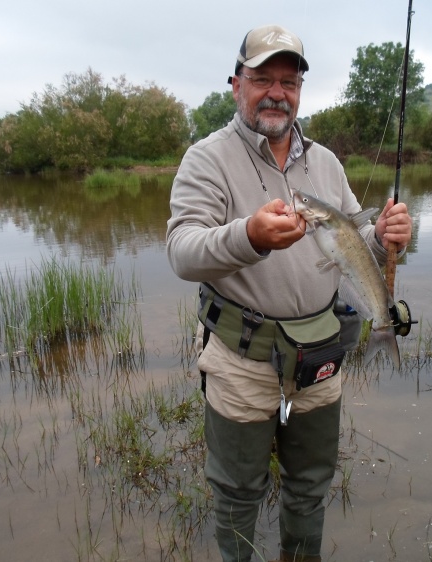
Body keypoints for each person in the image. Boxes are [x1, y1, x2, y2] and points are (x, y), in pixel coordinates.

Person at [166, 24, 412, 562]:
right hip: (241, 362)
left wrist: (384, 236)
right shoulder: (206, 159)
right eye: (263, 79)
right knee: (236, 496)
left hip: (320, 360)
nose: (277, 91)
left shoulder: (325, 163)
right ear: (237, 85)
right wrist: (249, 236)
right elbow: (182, 251)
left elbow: (351, 243)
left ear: (300, 90)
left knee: (310, 488)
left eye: (289, 80)